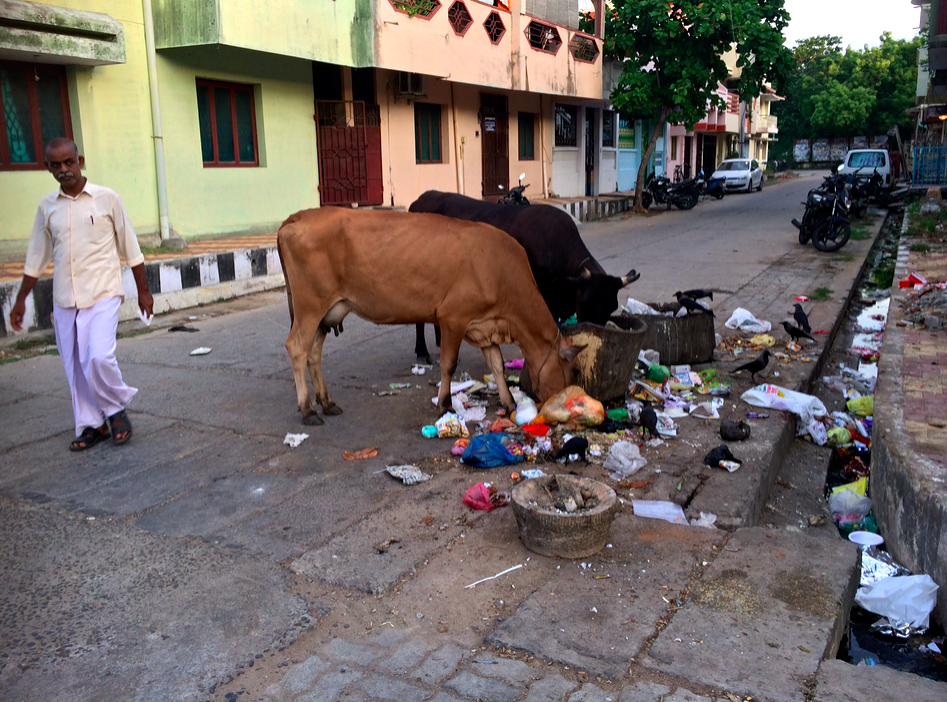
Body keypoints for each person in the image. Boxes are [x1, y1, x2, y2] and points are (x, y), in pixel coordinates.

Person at [9, 138, 154, 451]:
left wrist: (144, 291)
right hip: (65, 299)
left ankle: (115, 410)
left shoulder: (107, 199)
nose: (64, 170)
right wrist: (21, 298)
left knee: (98, 356)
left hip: (103, 292)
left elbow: (131, 248)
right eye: (56, 165)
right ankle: (92, 423)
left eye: (68, 162)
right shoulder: (47, 207)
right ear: (47, 168)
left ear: (80, 160)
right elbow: (36, 257)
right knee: (75, 365)